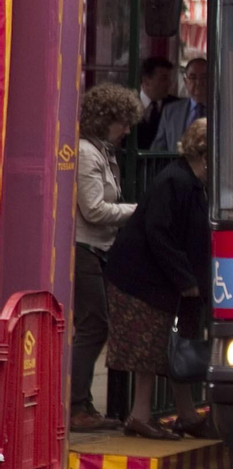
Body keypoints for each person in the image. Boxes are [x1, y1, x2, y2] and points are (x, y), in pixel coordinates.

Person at [104, 120, 212, 440]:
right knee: (150, 348)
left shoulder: (190, 183)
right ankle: (139, 416)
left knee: (175, 348)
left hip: (162, 280)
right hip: (143, 279)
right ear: (205, 154)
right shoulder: (175, 182)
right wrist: (186, 279)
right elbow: (159, 233)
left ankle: (187, 414)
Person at [69, 83, 143, 432]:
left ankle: (80, 401)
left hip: (97, 249)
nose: (127, 130)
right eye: (122, 122)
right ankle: (74, 404)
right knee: (93, 325)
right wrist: (138, 211)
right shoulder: (87, 152)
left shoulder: (100, 152)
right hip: (84, 247)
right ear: (104, 120)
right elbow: (94, 210)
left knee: (94, 325)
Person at [150, 56, 206, 152]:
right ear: (185, 81)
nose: (198, 82)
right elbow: (157, 150)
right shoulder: (170, 111)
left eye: (204, 77)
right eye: (193, 77)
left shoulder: (223, 111)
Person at [135, 56, 175, 150]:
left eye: (169, 79)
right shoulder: (128, 104)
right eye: (164, 79)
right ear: (146, 81)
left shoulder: (175, 106)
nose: (169, 84)